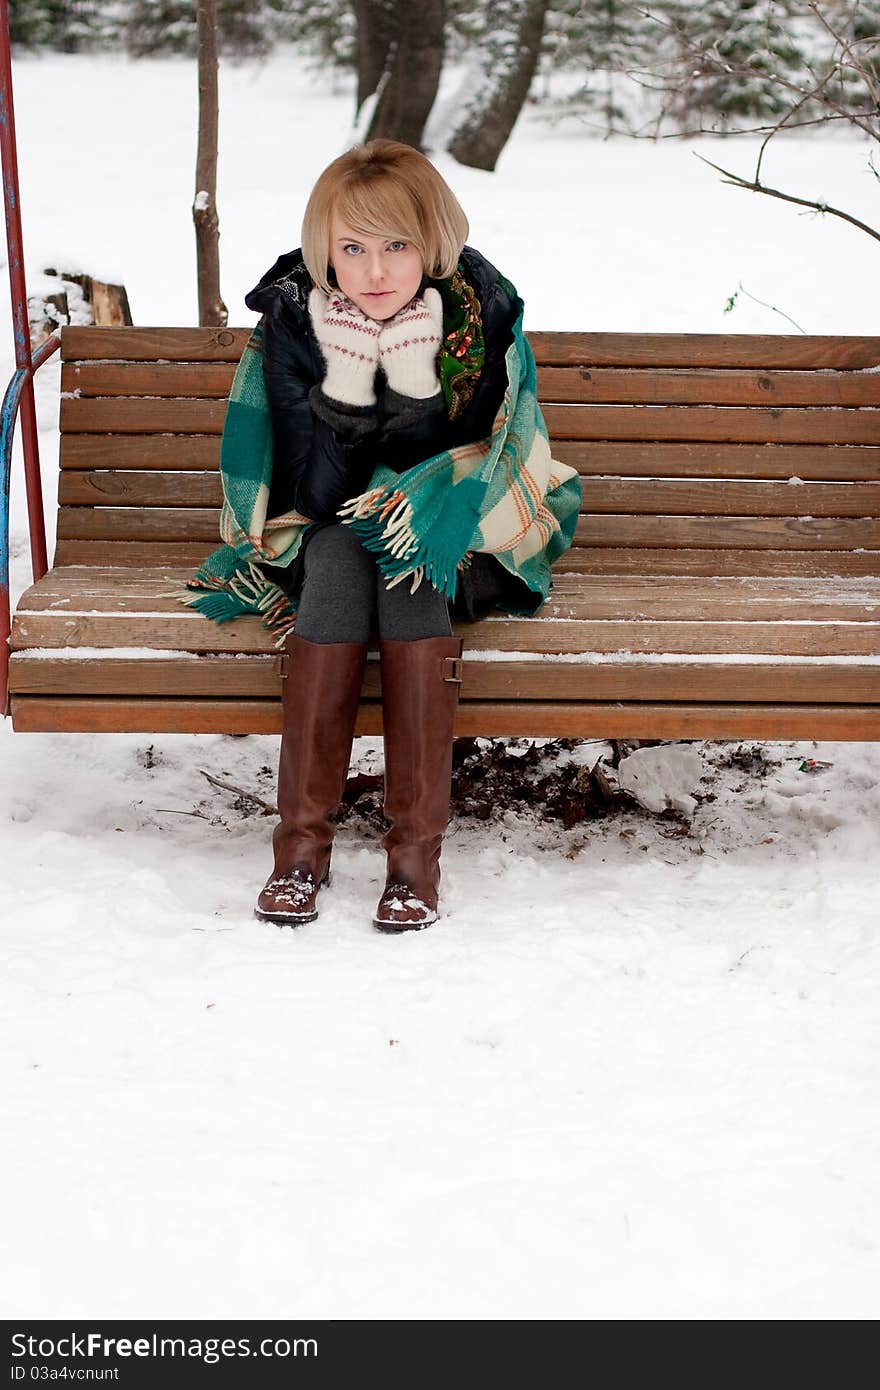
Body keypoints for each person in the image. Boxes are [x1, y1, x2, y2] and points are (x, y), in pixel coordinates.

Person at [204, 139, 579, 934]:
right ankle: (302, 851)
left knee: (403, 561)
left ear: (432, 242)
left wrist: (413, 384)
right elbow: (314, 492)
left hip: (462, 540)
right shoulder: (295, 324)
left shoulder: (482, 317)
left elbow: (474, 469)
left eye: (397, 245)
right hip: (334, 527)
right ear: (325, 249)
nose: (374, 271)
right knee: (343, 554)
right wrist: (345, 382)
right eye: (353, 247)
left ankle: (413, 859)